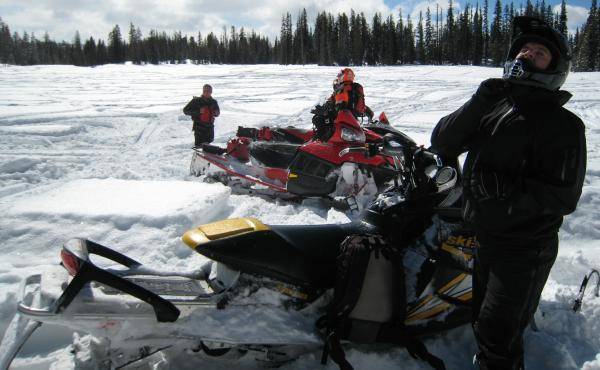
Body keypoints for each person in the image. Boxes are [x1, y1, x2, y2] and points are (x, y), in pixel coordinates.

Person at [430, 17, 586, 370]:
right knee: (483, 319)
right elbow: (443, 142)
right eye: (524, 49)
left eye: (540, 52)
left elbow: (564, 196)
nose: (528, 54)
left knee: (497, 331)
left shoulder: (563, 125)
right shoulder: (495, 106)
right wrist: (478, 101)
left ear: (555, 66)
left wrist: (506, 190)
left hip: (525, 247)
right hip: (483, 236)